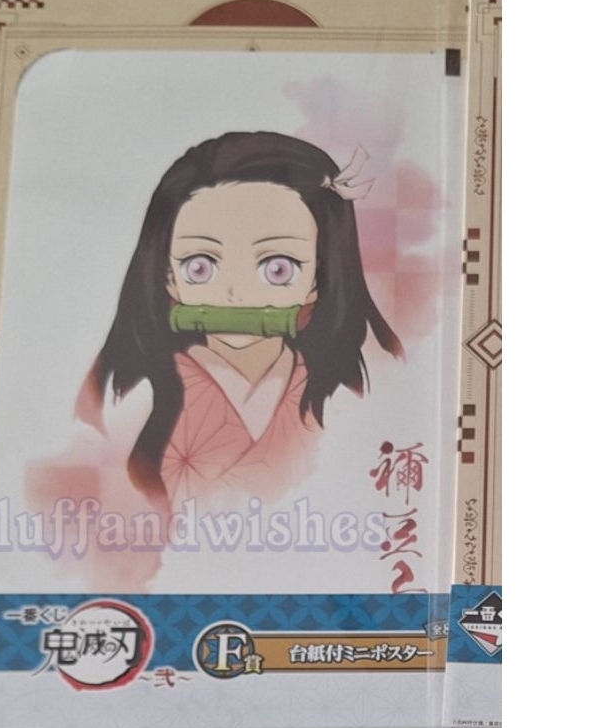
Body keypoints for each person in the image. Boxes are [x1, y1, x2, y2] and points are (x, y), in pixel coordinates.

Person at [25, 131, 402, 588]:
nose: (235, 293)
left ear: (319, 277)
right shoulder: (125, 398)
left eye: (278, 268)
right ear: (167, 275)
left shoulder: (351, 395)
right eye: (200, 266)